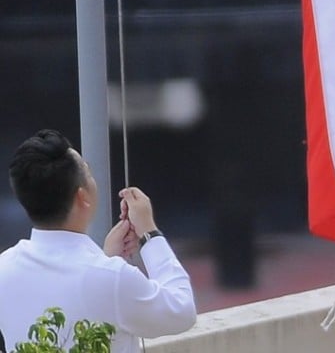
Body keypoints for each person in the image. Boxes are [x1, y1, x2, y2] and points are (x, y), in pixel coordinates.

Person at [0, 130, 196, 353]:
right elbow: (182, 310)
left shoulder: (4, 268)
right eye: (88, 171)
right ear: (82, 196)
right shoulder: (114, 278)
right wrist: (150, 234)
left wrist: (105, 258)